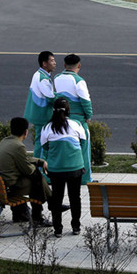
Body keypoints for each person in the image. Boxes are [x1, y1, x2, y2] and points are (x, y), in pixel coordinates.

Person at [0, 117, 52, 225]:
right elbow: (28, 170)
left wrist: (38, 161)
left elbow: (21, 159)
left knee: (36, 178)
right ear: (26, 132)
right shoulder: (19, 146)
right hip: (10, 186)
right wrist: (36, 166)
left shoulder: (5, 141)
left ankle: (20, 214)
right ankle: (39, 217)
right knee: (36, 179)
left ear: (11, 130)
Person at [40, 99, 87, 238]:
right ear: (68, 111)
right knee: (75, 197)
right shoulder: (76, 125)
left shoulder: (47, 128)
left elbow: (45, 147)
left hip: (56, 169)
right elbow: (83, 143)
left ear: (53, 110)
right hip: (75, 168)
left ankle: (58, 229)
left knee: (57, 198)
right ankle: (76, 226)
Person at [54, 54, 92, 184]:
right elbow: (86, 101)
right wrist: (88, 116)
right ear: (79, 66)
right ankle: (85, 178)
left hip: (61, 117)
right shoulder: (79, 81)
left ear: (64, 65)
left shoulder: (56, 78)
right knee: (84, 147)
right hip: (78, 119)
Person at [24, 51, 56, 160]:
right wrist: (64, 97)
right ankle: (40, 167)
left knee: (39, 140)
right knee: (42, 142)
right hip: (42, 116)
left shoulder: (38, 74)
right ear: (44, 64)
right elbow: (51, 97)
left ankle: (37, 165)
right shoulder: (43, 79)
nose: (54, 63)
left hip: (37, 114)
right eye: (52, 61)